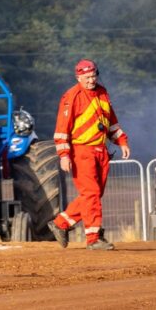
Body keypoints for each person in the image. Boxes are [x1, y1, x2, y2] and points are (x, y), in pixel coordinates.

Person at [48, 59, 130, 251]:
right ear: (78, 77)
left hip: (101, 151)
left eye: (94, 76)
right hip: (81, 151)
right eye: (87, 77)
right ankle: (93, 238)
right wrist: (64, 155)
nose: (91, 80)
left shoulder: (102, 93)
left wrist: (122, 141)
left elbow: (111, 123)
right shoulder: (71, 96)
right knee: (91, 194)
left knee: (92, 195)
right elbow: (61, 130)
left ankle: (61, 223)